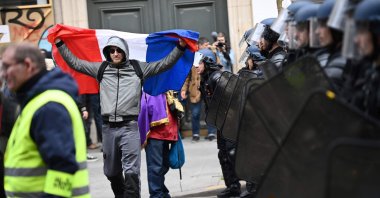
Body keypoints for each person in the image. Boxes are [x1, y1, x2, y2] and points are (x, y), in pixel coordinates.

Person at [55, 36, 187, 197]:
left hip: (130, 127)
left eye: (118, 50)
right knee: (111, 172)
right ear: (108, 53)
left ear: (125, 51)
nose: (115, 53)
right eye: (112, 51)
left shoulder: (138, 68)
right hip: (108, 129)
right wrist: (60, 44)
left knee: (132, 171)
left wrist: (180, 48)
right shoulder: (101, 69)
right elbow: (75, 63)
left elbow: (164, 64)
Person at [1, 43, 89, 197]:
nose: (3, 74)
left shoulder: (48, 106)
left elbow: (62, 167)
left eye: (7, 67)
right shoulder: (36, 101)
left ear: (28, 65)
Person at [140, 91, 183, 198]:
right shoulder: (150, 87)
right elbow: (146, 108)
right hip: (155, 134)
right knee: (155, 167)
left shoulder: (169, 89)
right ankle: (156, 194)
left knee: (164, 165)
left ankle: (162, 191)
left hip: (168, 132)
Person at [181, 37, 216, 142]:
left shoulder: (212, 55)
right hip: (195, 89)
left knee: (210, 111)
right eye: (204, 45)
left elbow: (218, 70)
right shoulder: (194, 58)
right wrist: (184, 89)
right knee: (195, 113)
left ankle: (211, 133)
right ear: (199, 46)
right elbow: (187, 76)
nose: (206, 48)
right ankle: (195, 134)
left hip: (208, 88)